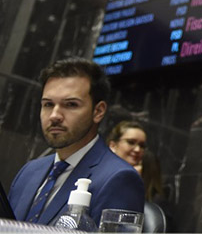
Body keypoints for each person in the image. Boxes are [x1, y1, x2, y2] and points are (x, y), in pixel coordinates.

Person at [7, 58, 144, 225]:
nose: (54, 115)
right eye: (48, 104)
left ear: (98, 111)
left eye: (71, 104)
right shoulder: (28, 172)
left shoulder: (119, 179)